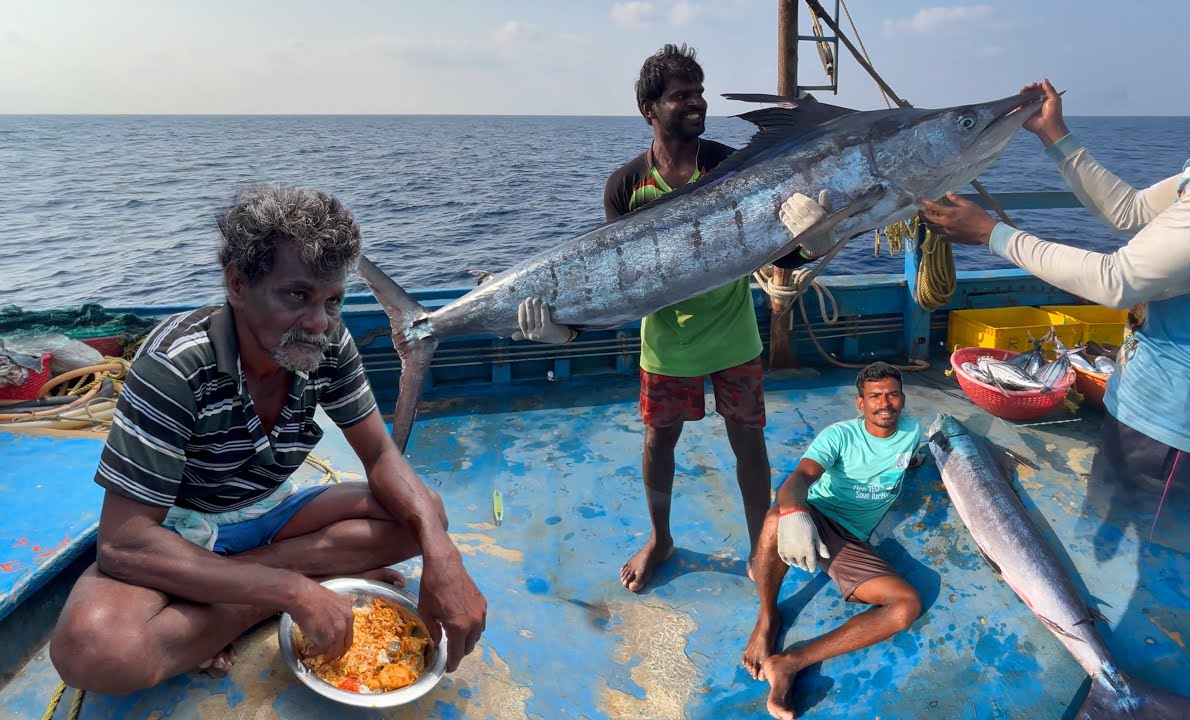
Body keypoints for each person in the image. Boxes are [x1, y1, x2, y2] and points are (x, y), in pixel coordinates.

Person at [48, 184, 487, 694]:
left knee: (424, 517)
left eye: (333, 300)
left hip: (271, 514)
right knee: (93, 652)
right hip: (182, 532)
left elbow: (379, 454)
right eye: (297, 295)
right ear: (238, 283)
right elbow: (123, 544)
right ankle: (274, 592)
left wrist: (444, 556)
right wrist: (292, 591)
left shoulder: (329, 341)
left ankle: (230, 601)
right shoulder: (174, 365)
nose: (319, 322)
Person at [919, 0, 1190, 499]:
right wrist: (1054, 136)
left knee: (1154, 549)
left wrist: (991, 234)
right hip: (1157, 408)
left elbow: (1118, 281)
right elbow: (1130, 211)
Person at [513, 44, 840, 593]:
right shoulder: (625, 185)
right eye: (681, 95)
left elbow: (779, 250)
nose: (696, 102)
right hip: (665, 344)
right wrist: (564, 330)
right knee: (658, 443)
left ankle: (758, 544)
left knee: (749, 442)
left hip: (734, 335)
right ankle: (660, 538)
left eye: (700, 92)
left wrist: (814, 238)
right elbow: (614, 279)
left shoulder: (731, 164)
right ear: (650, 109)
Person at [742, 362, 924, 720]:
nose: (885, 403)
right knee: (776, 518)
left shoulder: (912, 430)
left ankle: (791, 662)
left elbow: (908, 458)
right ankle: (767, 616)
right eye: (875, 396)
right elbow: (798, 479)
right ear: (861, 403)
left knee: (906, 605)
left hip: (851, 539)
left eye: (892, 394)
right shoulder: (839, 436)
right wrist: (796, 512)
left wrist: (915, 461)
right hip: (816, 514)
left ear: (902, 399)